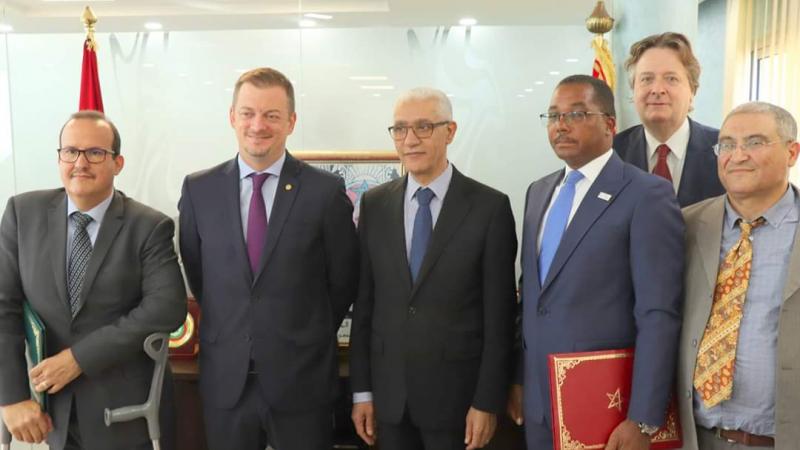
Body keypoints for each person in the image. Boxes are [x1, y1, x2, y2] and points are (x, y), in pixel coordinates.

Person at [178, 67, 359, 450]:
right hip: (227, 383)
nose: (258, 125)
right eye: (248, 113)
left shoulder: (324, 192)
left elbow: (342, 280)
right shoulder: (199, 189)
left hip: (302, 382)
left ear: (291, 122)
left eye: (272, 115)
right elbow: (199, 273)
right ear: (232, 117)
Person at [510, 75, 684, 449]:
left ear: (609, 124)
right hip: (540, 404)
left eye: (576, 114)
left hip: (605, 406)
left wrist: (643, 417)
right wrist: (520, 380)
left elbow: (658, 313)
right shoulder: (538, 192)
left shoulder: (646, 194)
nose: (561, 125)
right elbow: (533, 300)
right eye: (553, 116)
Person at [0, 110, 186, 450]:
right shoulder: (21, 214)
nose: (80, 162)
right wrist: (10, 397)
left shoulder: (149, 226)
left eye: (95, 153)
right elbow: (3, 307)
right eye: (70, 151)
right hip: (49, 416)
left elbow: (167, 308)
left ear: (118, 163)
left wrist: (78, 358)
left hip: (127, 419)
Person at [349, 87, 517, 450]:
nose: (410, 140)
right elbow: (365, 306)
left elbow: (500, 318)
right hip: (390, 402)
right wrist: (362, 393)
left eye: (424, 127)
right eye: (400, 129)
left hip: (458, 404)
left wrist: (487, 401)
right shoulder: (375, 205)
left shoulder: (489, 208)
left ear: (450, 131)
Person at [677, 102, 800, 449]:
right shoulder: (686, 226)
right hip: (696, 436)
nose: (738, 155)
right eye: (727, 144)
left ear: (792, 152)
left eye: (756, 142)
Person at [614, 32, 724, 207]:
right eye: (646, 79)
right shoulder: (612, 153)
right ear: (633, 91)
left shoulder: (724, 151)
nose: (657, 89)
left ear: (692, 90)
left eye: (671, 79)